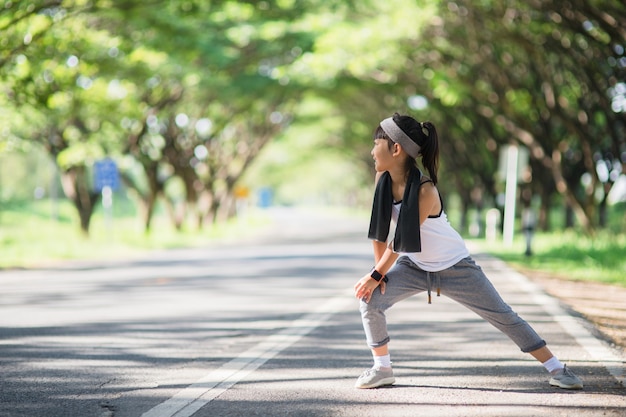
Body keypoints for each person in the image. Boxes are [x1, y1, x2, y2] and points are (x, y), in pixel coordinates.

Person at [353, 113, 583, 390]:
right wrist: (380, 277)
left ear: (396, 149)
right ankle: (382, 369)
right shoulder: (382, 179)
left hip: (455, 267)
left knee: (503, 315)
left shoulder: (426, 192)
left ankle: (557, 368)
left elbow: (400, 239)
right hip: (415, 267)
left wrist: (377, 273)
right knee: (369, 300)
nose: (371, 150)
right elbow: (379, 230)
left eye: (376, 143)